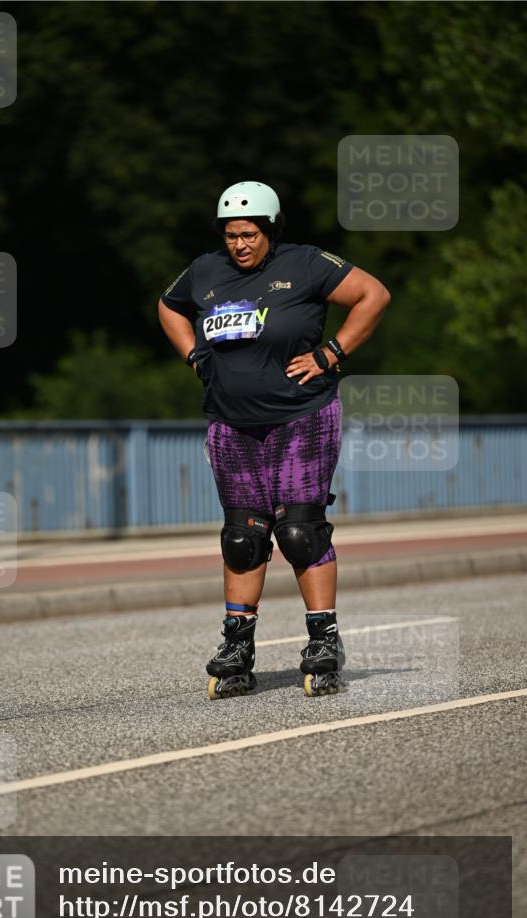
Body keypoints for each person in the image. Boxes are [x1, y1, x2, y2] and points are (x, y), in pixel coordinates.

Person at [158, 181, 390, 700]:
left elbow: (373, 295)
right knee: (243, 538)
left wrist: (331, 354)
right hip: (230, 423)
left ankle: (323, 641)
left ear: (270, 230)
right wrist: (195, 354)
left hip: (301, 417)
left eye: (249, 234)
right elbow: (168, 306)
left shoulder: (305, 264)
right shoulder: (204, 272)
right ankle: (238, 647)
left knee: (299, 533)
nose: (239, 244)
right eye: (231, 235)